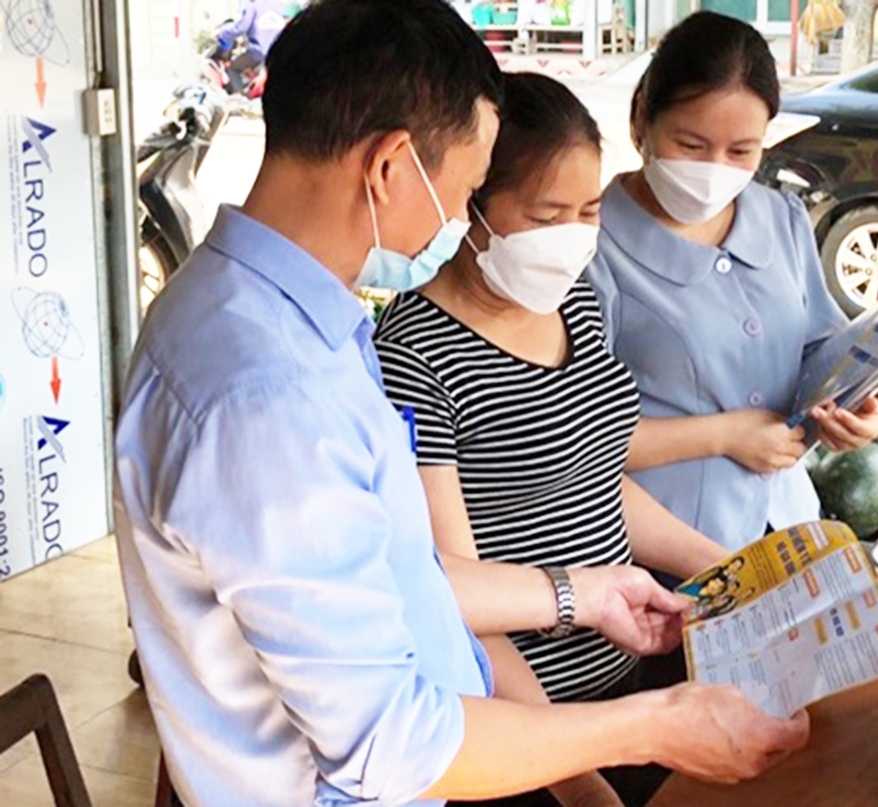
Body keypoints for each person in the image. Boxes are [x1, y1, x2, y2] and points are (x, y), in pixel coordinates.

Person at [115, 3, 809, 807]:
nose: (460, 217)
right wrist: (649, 725)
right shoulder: (269, 397)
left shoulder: (263, 311)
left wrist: (583, 592)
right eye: (468, 188)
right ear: (391, 167)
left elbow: (403, 568)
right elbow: (392, 745)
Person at [375, 72, 731, 807]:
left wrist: (727, 567)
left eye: (590, 210)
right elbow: (451, 596)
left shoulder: (575, 299)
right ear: (474, 208)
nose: (573, 238)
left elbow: (592, 481)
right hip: (527, 736)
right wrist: (575, 778)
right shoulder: (412, 353)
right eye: (546, 215)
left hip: (635, 687)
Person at [587, 11, 878, 554]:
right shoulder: (591, 245)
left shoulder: (781, 219)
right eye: (692, 146)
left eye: (741, 151)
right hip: (664, 553)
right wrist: (724, 435)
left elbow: (820, 345)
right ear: (640, 121)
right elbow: (565, 432)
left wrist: (852, 404)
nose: (715, 168)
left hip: (789, 529)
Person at [216, 0, 288, 94]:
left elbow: (240, 27)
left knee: (232, 68)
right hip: (279, 52)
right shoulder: (278, 5)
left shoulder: (252, 5)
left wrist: (223, 33)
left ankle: (240, 98)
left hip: (259, 52)